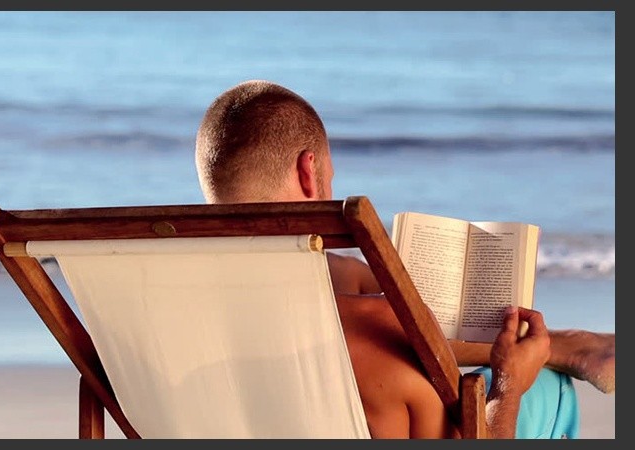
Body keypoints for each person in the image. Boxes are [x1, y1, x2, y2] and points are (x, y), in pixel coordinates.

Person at [194, 79, 615, 438]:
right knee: (549, 385)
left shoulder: (160, 309)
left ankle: (566, 346)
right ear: (308, 171)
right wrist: (509, 385)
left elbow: (352, 288)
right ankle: (561, 353)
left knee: (351, 282)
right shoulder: (375, 328)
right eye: (329, 176)